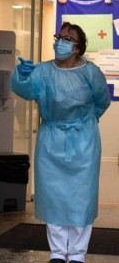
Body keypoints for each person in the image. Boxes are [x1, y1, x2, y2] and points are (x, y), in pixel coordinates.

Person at [11, 21, 111, 263]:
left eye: (67, 38)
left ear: (77, 48)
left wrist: (84, 124)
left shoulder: (90, 72)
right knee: (53, 196)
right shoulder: (43, 71)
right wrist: (21, 76)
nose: (60, 41)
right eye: (60, 36)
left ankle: (77, 254)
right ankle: (57, 252)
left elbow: (102, 101)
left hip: (84, 141)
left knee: (81, 198)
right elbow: (25, 90)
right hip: (51, 139)